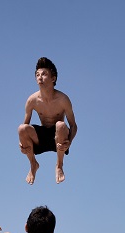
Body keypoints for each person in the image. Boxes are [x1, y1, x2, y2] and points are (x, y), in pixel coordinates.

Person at [19, 57, 77, 185]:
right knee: (21, 128)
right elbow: (25, 126)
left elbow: (73, 125)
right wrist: (22, 144)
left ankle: (59, 165)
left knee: (61, 125)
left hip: (58, 138)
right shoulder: (32, 100)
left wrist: (69, 142)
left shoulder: (63, 99)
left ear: (53, 78)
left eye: (44, 74)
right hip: (41, 138)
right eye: (37, 75)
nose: (40, 77)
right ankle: (33, 164)